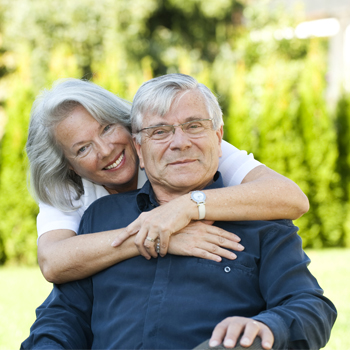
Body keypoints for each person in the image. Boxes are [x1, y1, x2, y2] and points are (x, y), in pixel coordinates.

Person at [22, 74, 336, 350]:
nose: (180, 143)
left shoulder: (260, 219)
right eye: (159, 132)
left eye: (194, 126)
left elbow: (309, 306)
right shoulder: (97, 216)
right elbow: (63, 312)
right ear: (140, 147)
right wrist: (149, 236)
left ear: (218, 136)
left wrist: (269, 326)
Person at [27, 78, 309, 284]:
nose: (105, 149)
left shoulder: (182, 150)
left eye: (107, 128)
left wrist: (185, 207)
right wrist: (156, 236)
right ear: (69, 165)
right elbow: (53, 262)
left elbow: (290, 197)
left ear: (127, 125)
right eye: (82, 149)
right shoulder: (64, 186)